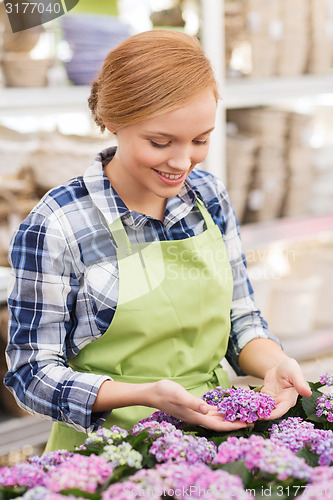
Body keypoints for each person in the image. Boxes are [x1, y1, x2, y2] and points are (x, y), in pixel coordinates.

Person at [5, 30, 311, 452]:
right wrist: (144, 395)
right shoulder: (57, 225)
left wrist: (275, 365)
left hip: (212, 436)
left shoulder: (209, 197)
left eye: (200, 140)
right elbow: (30, 374)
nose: (183, 161)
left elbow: (241, 318)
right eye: (160, 142)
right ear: (113, 121)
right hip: (106, 455)